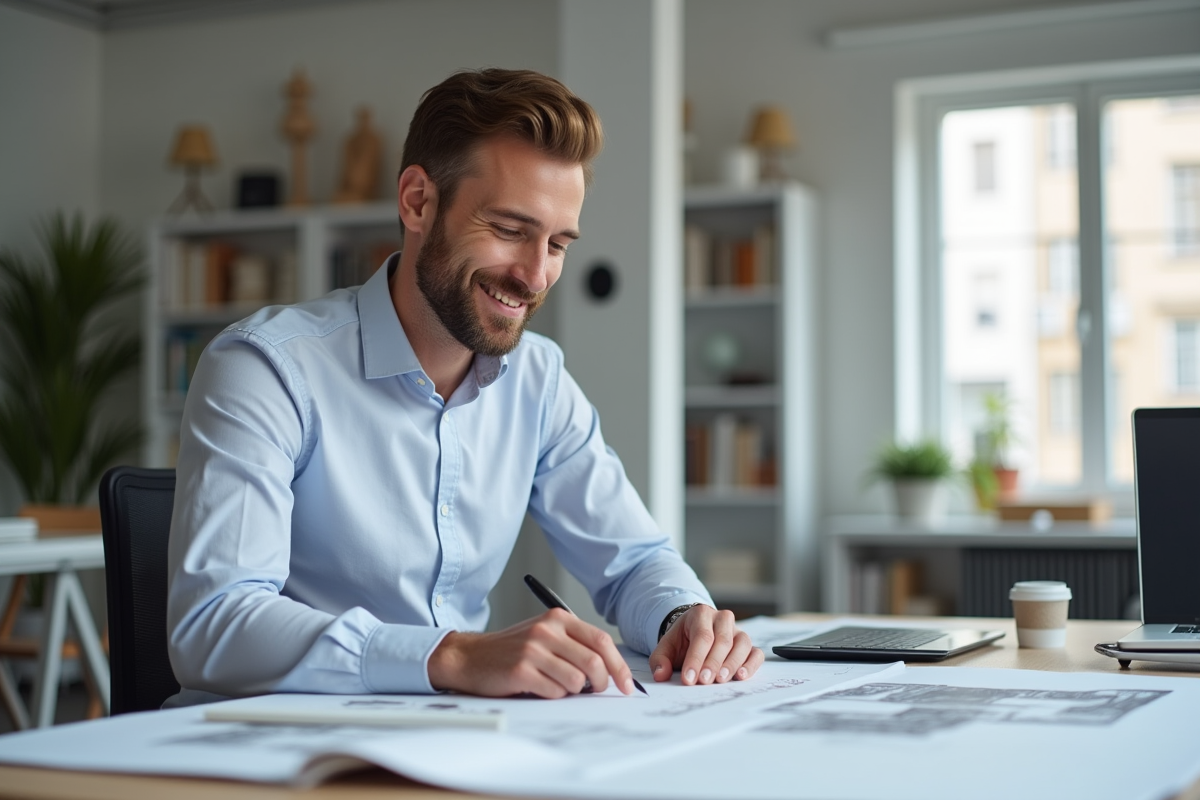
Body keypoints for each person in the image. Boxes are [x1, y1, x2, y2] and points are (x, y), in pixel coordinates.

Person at [166, 68, 764, 704]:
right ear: (418, 201)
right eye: (509, 229)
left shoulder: (538, 379)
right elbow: (214, 625)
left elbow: (636, 561)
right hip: (268, 751)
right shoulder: (265, 370)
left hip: (455, 737)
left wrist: (681, 620)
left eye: (558, 243)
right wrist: (451, 654)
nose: (536, 276)